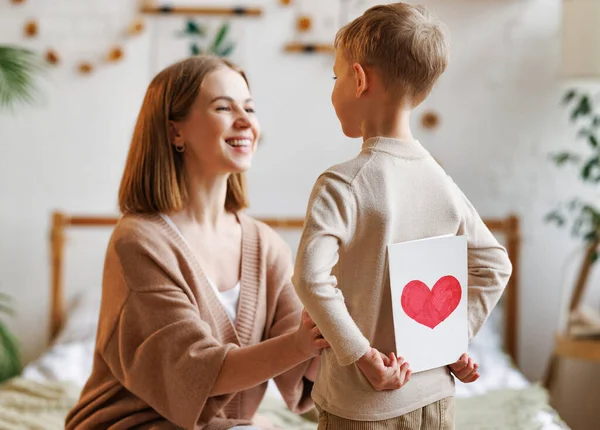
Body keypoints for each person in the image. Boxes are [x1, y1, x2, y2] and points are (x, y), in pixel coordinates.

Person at [65, 55, 328, 430]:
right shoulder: (139, 242)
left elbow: (305, 355)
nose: (245, 121)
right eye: (223, 107)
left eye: (250, 108)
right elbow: (193, 369)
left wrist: (346, 333)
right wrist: (302, 344)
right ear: (175, 132)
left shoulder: (264, 244)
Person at [292, 3, 512, 429]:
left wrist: (361, 355)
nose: (334, 88)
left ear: (359, 80)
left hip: (363, 403)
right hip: (436, 399)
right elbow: (494, 264)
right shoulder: (441, 182)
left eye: (336, 77)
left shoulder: (344, 183)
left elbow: (310, 278)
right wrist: (453, 338)